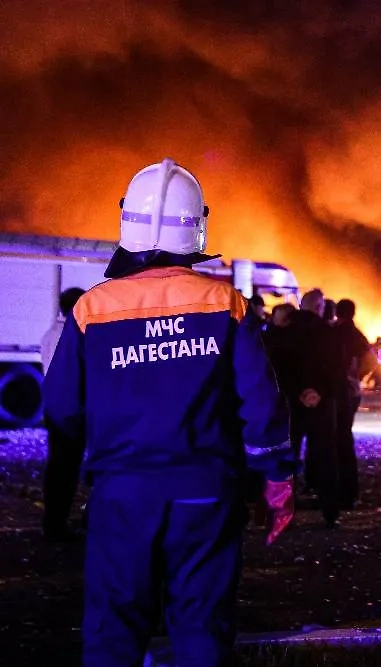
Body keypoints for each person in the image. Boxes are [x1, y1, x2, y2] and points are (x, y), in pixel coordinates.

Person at [43, 158, 296, 666]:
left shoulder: (92, 308)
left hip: (123, 495)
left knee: (114, 631)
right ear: (198, 225)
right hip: (205, 493)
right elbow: (261, 403)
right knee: (201, 627)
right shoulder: (225, 303)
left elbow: (62, 408)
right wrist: (277, 479)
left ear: (127, 222)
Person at [286, 288, 346, 526]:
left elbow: (277, 368)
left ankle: (281, 513)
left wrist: (297, 392)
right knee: (326, 456)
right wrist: (319, 393)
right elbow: (337, 370)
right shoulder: (328, 334)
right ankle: (330, 511)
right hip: (321, 405)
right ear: (320, 308)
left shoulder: (286, 333)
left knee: (287, 456)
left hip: (292, 404)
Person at [41, 287, 87, 542]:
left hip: (54, 408)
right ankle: (56, 525)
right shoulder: (69, 336)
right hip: (68, 410)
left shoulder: (51, 334)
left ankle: (53, 522)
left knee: (58, 467)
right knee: (66, 469)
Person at [332, 299, 374, 509]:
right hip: (352, 390)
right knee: (344, 436)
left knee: (337, 438)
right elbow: (371, 361)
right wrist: (358, 377)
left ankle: (339, 489)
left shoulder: (333, 333)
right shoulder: (358, 336)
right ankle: (348, 490)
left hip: (337, 391)